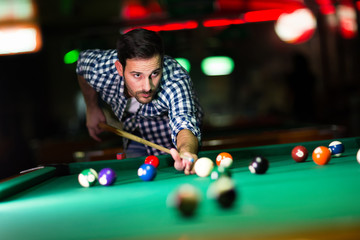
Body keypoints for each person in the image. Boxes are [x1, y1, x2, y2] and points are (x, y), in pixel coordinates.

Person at [76, 28, 203, 174]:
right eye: (137, 75)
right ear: (119, 68)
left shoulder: (175, 79)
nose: (147, 87)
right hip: (133, 131)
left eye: (155, 73)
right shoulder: (101, 69)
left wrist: (186, 152)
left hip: (170, 137)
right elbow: (81, 64)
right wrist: (92, 108)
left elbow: (184, 123)